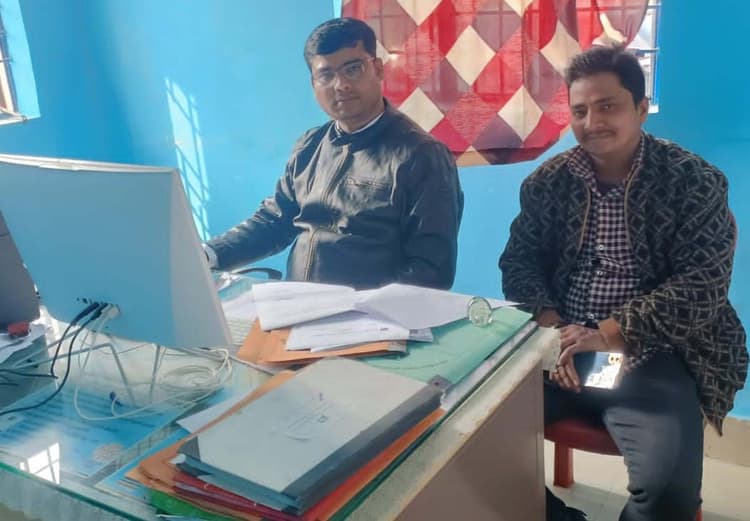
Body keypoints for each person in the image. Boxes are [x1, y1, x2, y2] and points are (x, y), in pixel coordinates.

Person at [499, 46, 748, 521]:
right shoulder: (548, 183)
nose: (592, 122)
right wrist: (551, 329)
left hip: (650, 355)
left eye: (607, 106)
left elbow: (703, 285)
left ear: (640, 108)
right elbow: (520, 261)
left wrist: (609, 334)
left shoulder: (692, 181)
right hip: (561, 349)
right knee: (467, 443)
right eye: (579, 111)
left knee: (667, 494)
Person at [205, 17, 463, 290]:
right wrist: (208, 254)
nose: (340, 85)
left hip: (369, 314)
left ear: (377, 69)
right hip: (297, 305)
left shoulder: (422, 156)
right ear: (313, 83)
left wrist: (363, 309)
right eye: (326, 75)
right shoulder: (309, 146)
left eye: (353, 69)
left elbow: (430, 271)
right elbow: (274, 221)